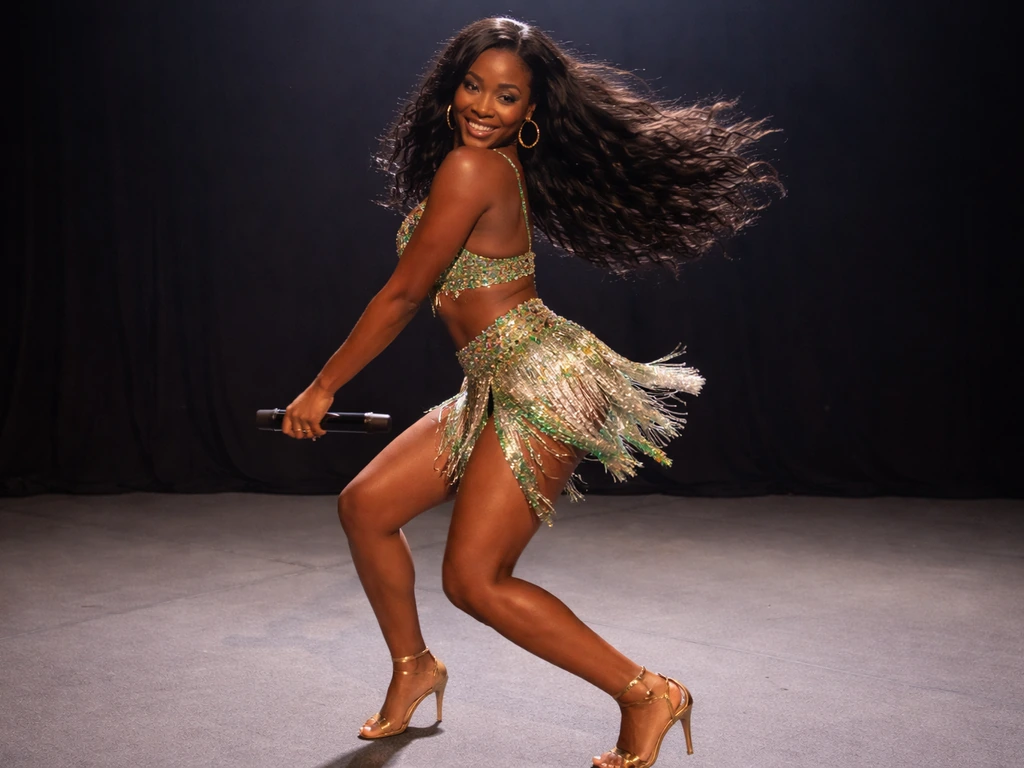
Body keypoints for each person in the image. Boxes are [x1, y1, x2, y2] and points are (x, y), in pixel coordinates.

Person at [282, 17, 780, 768]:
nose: (484, 105)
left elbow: (404, 294)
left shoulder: (472, 170)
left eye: (506, 96)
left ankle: (648, 693)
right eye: (473, 86)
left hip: (542, 382)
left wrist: (321, 388)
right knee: (367, 506)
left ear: (531, 112)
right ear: (450, 89)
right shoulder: (478, 164)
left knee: (475, 581)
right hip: (497, 380)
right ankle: (415, 668)